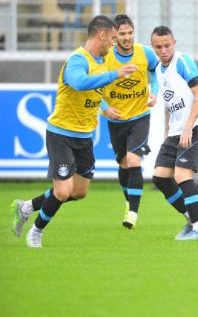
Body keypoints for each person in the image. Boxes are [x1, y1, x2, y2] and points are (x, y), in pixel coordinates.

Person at [10, 15, 137, 248]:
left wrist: (106, 109)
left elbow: (95, 93)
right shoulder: (78, 60)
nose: (114, 42)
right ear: (101, 35)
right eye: (112, 37)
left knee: (78, 192)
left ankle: (26, 207)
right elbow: (80, 83)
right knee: (63, 190)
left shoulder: (106, 58)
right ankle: (35, 232)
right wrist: (115, 75)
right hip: (62, 134)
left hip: (85, 136)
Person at [150, 26, 198, 241]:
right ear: (153, 47)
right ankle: (192, 218)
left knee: (181, 174)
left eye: (167, 45)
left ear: (174, 42)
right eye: (158, 47)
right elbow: (170, 103)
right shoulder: (159, 69)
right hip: (176, 132)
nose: (163, 50)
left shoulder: (183, 62)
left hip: (196, 128)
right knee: (159, 177)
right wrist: (169, 131)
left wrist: (188, 126)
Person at [101, 14, 159, 229]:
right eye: (122, 34)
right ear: (114, 36)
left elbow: (154, 71)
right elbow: (92, 86)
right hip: (116, 120)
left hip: (140, 116)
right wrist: (105, 109)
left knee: (134, 160)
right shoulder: (105, 57)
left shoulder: (145, 53)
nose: (127, 37)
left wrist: (154, 92)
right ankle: (128, 201)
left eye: (130, 33)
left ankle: (133, 213)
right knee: (124, 162)